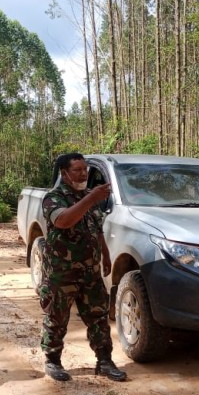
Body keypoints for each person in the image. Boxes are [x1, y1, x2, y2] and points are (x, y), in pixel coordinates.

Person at [39, 153, 127, 382]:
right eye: (77, 170)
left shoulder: (90, 197)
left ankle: (105, 361)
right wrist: (91, 198)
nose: (83, 174)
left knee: (98, 317)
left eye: (85, 169)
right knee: (57, 317)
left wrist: (105, 256)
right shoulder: (53, 198)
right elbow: (64, 221)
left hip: (90, 272)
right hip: (61, 273)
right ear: (64, 173)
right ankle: (53, 360)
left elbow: (97, 230)